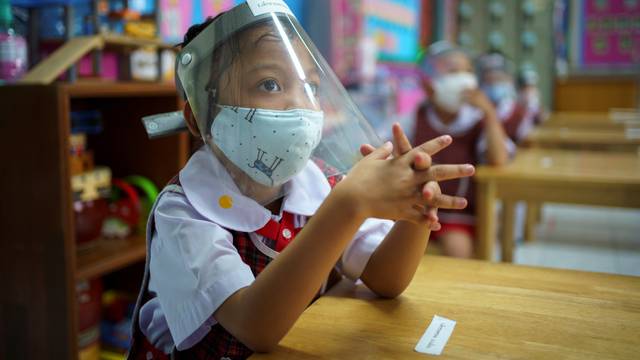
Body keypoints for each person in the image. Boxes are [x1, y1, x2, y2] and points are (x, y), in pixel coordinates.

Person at [127, 3, 474, 359]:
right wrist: (347, 206)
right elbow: (255, 327)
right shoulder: (184, 212)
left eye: (310, 86)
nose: (300, 106)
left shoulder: (319, 182)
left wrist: (413, 213)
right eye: (270, 84)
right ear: (199, 117)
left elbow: (386, 279)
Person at [414, 41, 512, 259]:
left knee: (458, 249)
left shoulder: (476, 121)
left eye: (468, 71)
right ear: (429, 84)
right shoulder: (415, 117)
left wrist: (489, 113)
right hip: (415, 209)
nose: (464, 78)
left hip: (457, 216)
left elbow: (499, 159)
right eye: (453, 71)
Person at [477, 52, 544, 143]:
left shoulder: (517, 111)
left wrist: (532, 106)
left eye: (498, 79)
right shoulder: (475, 112)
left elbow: (529, 138)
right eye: (489, 81)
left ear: (509, 79)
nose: (493, 84)